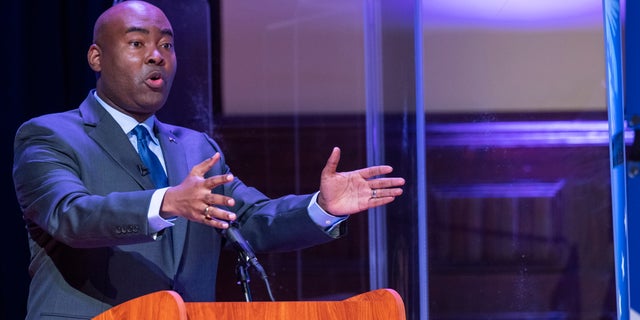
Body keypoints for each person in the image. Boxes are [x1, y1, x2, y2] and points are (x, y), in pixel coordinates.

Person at [12, 1, 405, 319]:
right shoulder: (49, 135)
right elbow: (70, 215)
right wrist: (166, 202)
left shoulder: (195, 147)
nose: (156, 56)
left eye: (166, 45)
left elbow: (248, 221)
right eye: (137, 44)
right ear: (96, 57)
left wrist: (321, 208)